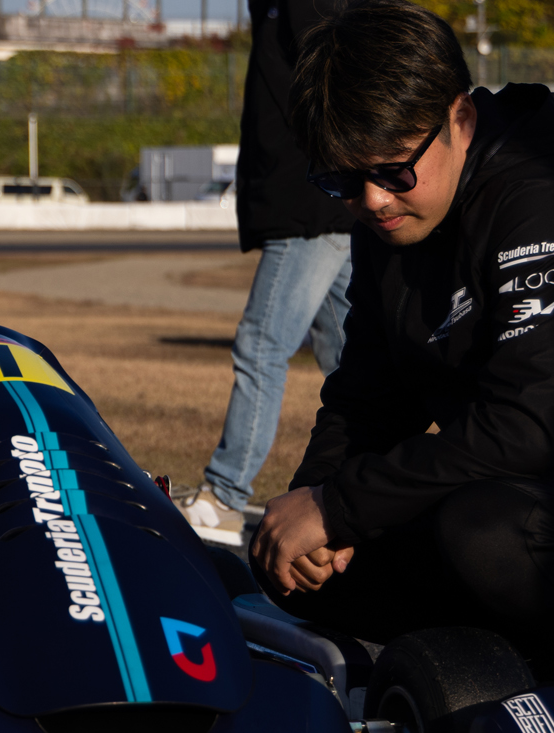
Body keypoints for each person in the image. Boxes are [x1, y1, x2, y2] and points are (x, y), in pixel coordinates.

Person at [248, 0, 554, 733]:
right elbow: (367, 396)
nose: (372, 200)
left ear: (460, 119)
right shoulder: (390, 217)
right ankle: (518, 679)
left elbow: (526, 428)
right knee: (294, 562)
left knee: (487, 531)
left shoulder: (547, 197)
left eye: (393, 171)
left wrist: (339, 505)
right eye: (342, 181)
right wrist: (315, 506)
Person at [176, 0, 353, 546]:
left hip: (310, 206)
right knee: (350, 356)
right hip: (314, 202)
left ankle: (225, 496)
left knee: (262, 345)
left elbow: (339, 77)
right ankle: (375, 486)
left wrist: (329, 179)